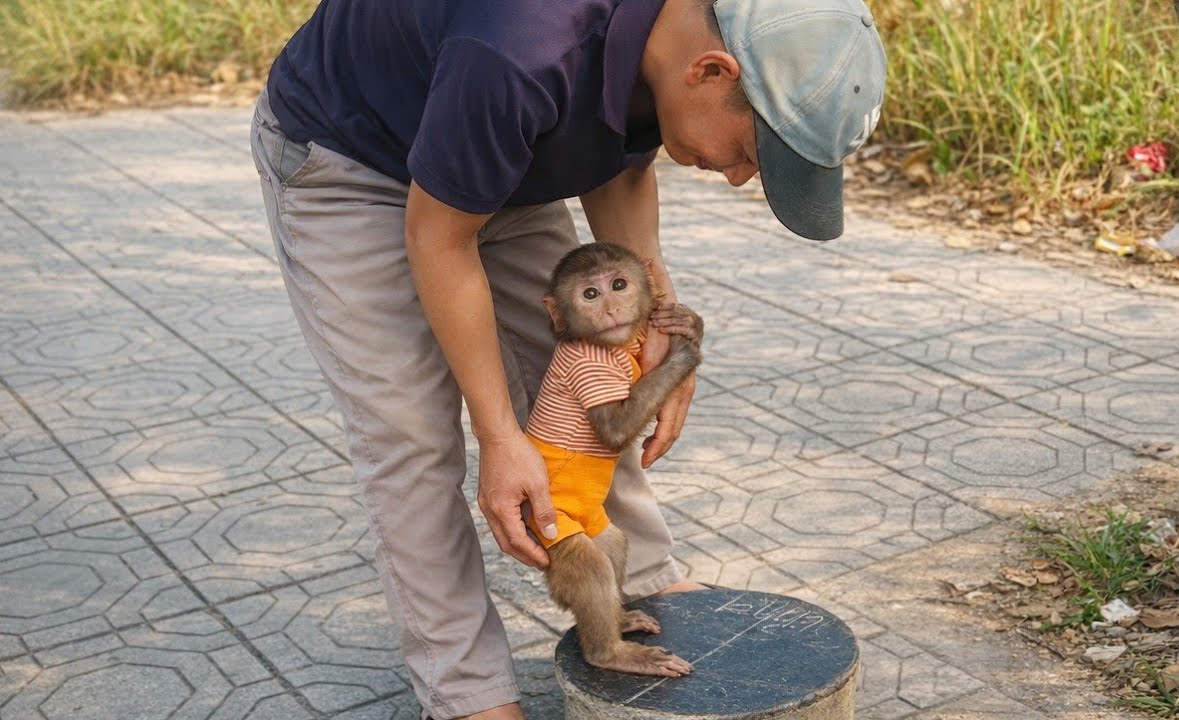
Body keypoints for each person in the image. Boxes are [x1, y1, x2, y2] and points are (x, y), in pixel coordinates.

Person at [248, 0, 886, 716]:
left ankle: (634, 583)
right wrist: (499, 436)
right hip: (355, 160)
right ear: (712, 71)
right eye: (751, 153)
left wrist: (659, 326)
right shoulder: (521, 51)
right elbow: (440, 239)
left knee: (600, 360)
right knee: (414, 438)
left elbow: (621, 164)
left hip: (496, 147)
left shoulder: (669, 39)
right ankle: (466, 690)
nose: (739, 177)